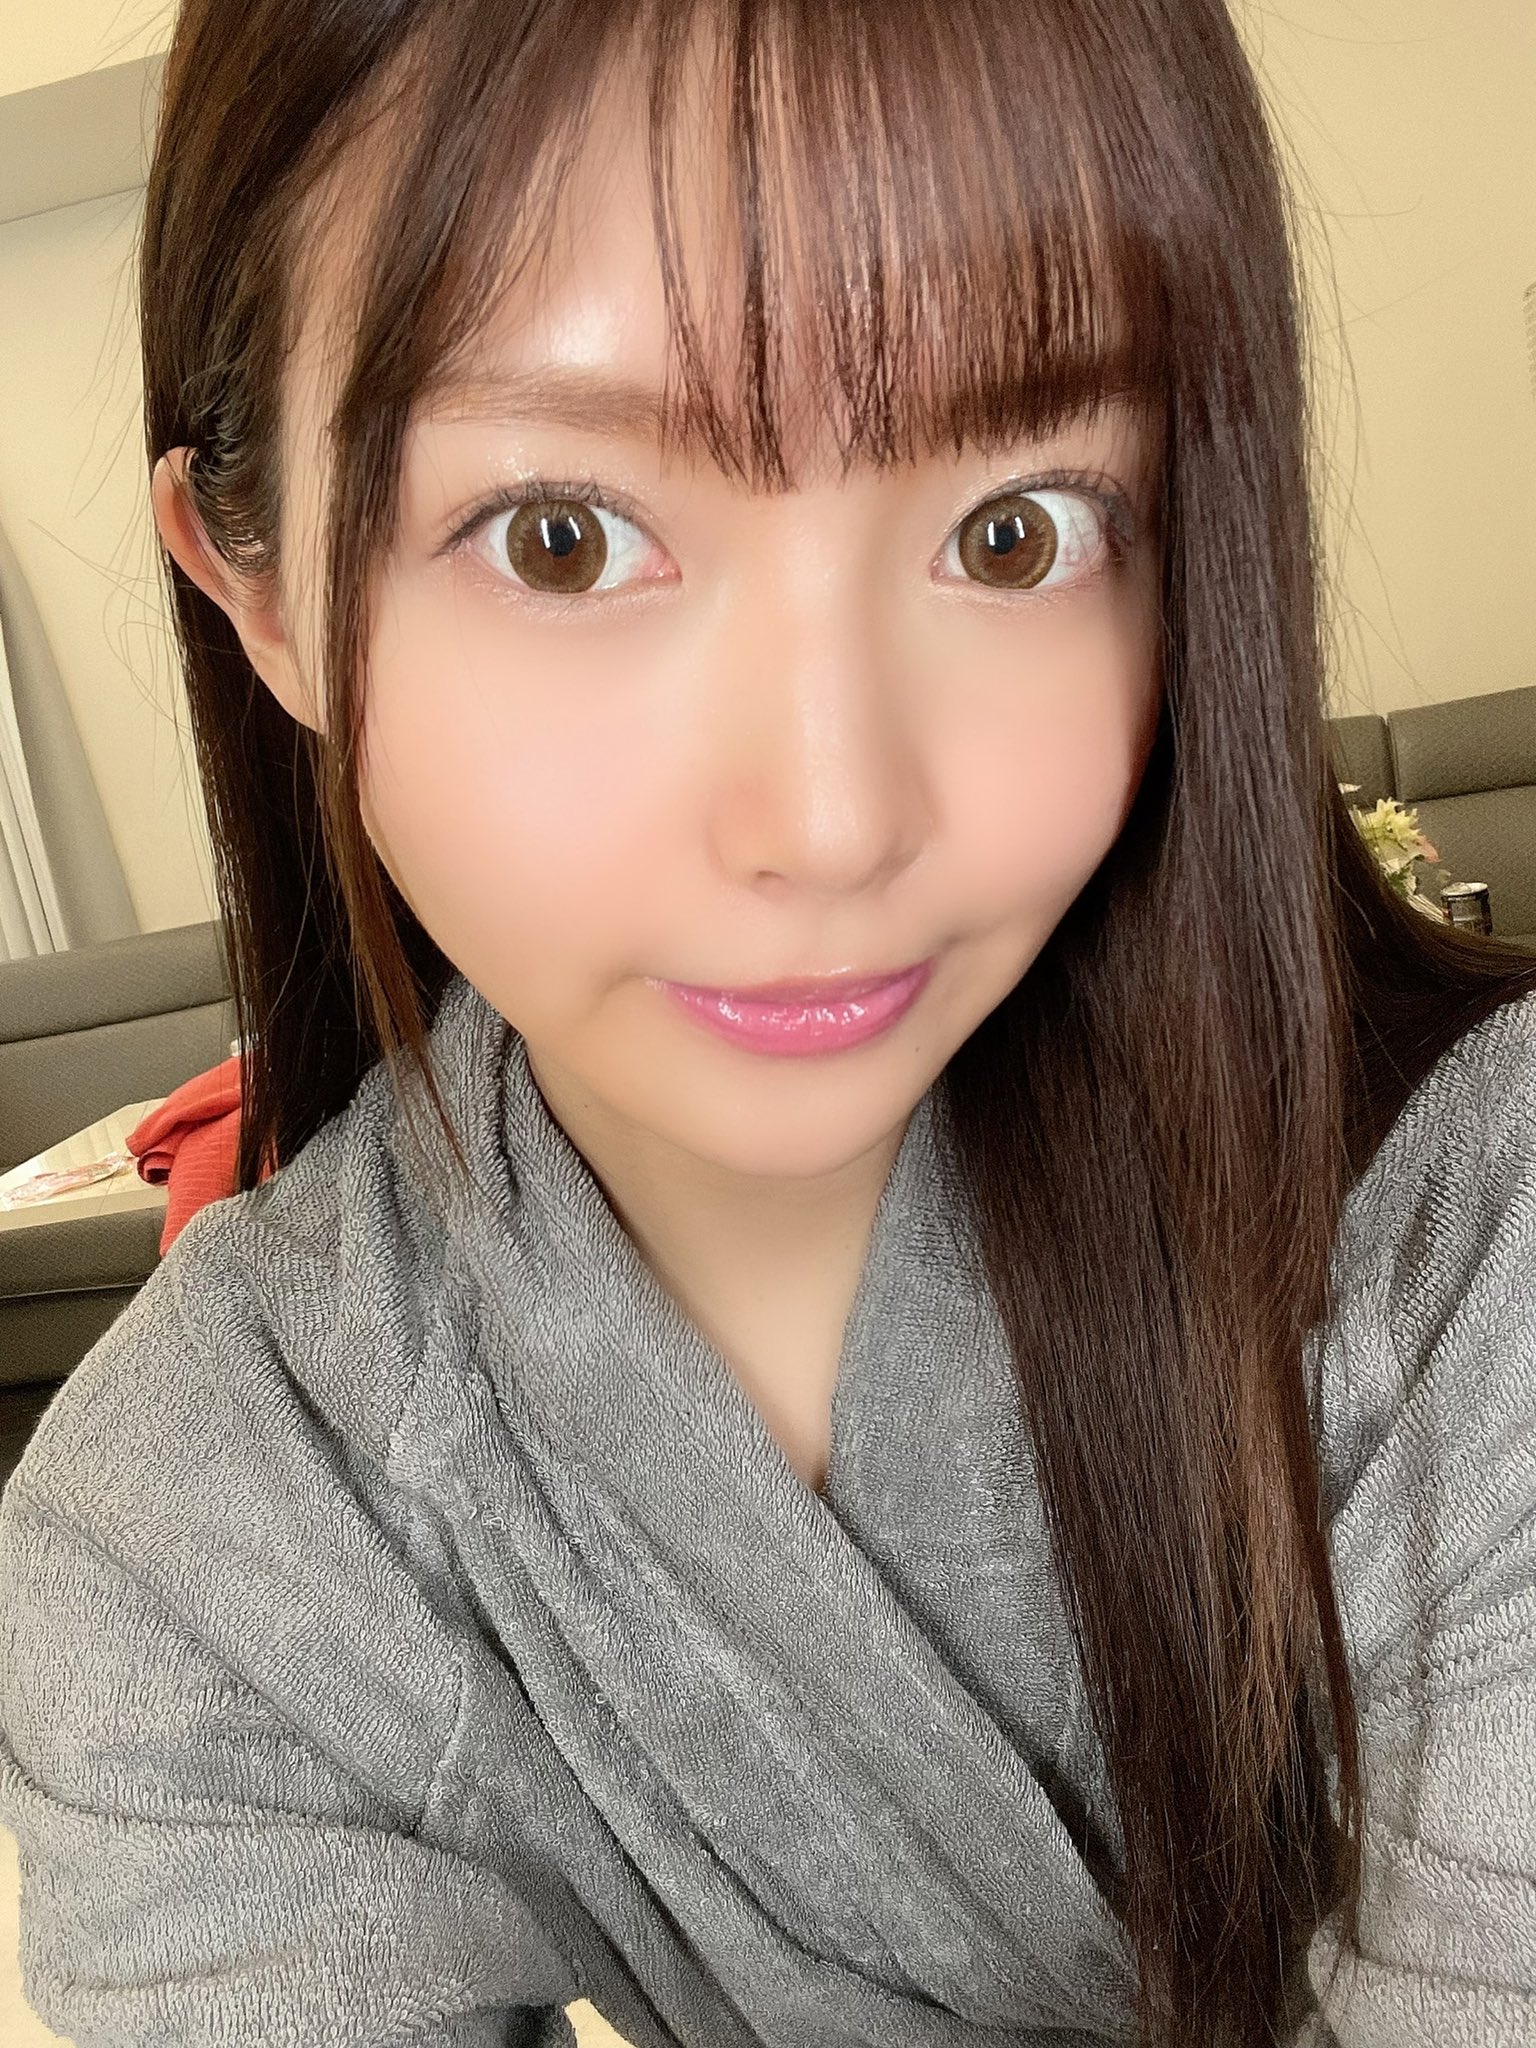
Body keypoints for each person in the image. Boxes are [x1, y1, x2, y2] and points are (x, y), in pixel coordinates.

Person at [2, 2, 1535, 2044]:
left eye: (1014, 530)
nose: (832, 817)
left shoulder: (1482, 1249)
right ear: (259, 586)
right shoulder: (192, 1536)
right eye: (563, 537)